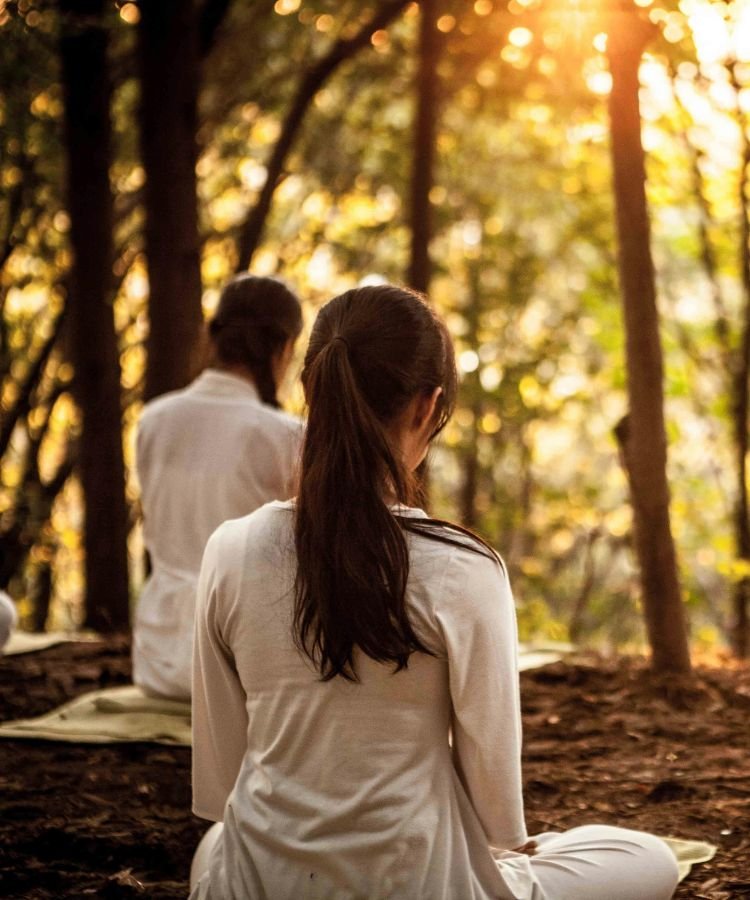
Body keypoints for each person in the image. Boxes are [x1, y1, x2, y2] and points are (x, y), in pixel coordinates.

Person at [189, 285, 679, 899]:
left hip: (261, 885)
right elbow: (499, 816)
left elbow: (222, 783)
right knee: (647, 857)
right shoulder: (463, 567)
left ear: (311, 391)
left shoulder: (229, 549)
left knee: (215, 846)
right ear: (428, 406)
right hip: (419, 885)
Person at [132, 274, 304, 701]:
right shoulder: (284, 436)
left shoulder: (153, 420)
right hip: (242, 665)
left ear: (213, 336)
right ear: (283, 348)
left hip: (157, 658)